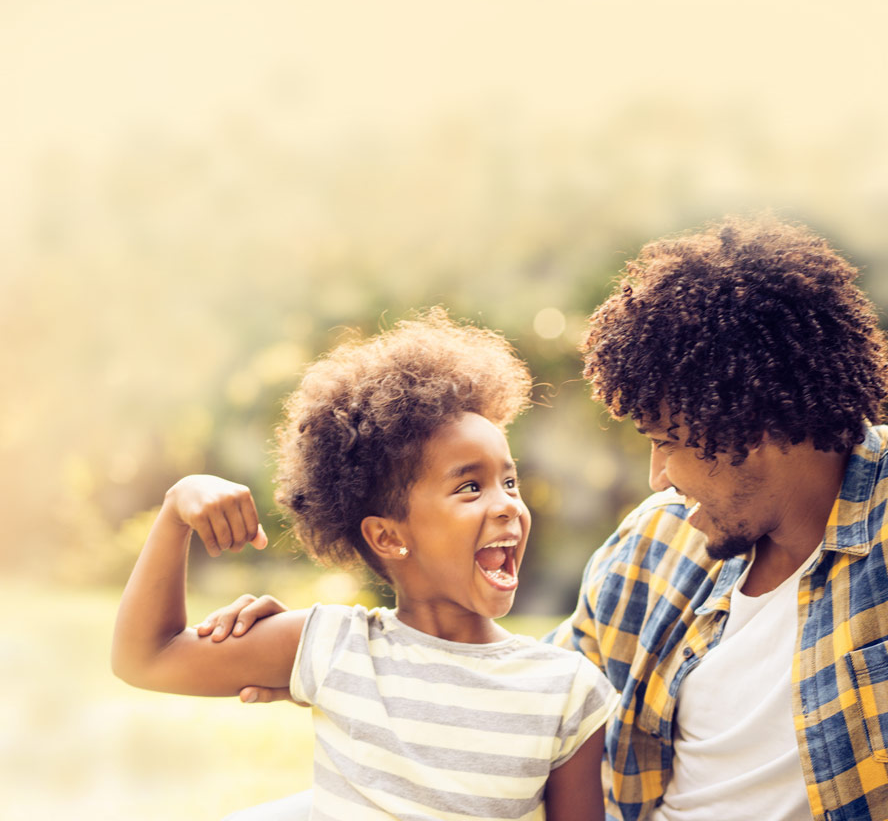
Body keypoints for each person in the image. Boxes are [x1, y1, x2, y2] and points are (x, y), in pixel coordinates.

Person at [214, 217, 888, 821]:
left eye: (666, 442)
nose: (659, 479)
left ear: (753, 418)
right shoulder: (654, 547)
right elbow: (519, 699)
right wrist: (359, 659)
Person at [112, 310, 617, 821]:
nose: (508, 504)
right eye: (470, 486)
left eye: (509, 482)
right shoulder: (333, 646)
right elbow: (146, 658)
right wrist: (177, 509)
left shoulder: (565, 689)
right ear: (388, 536)